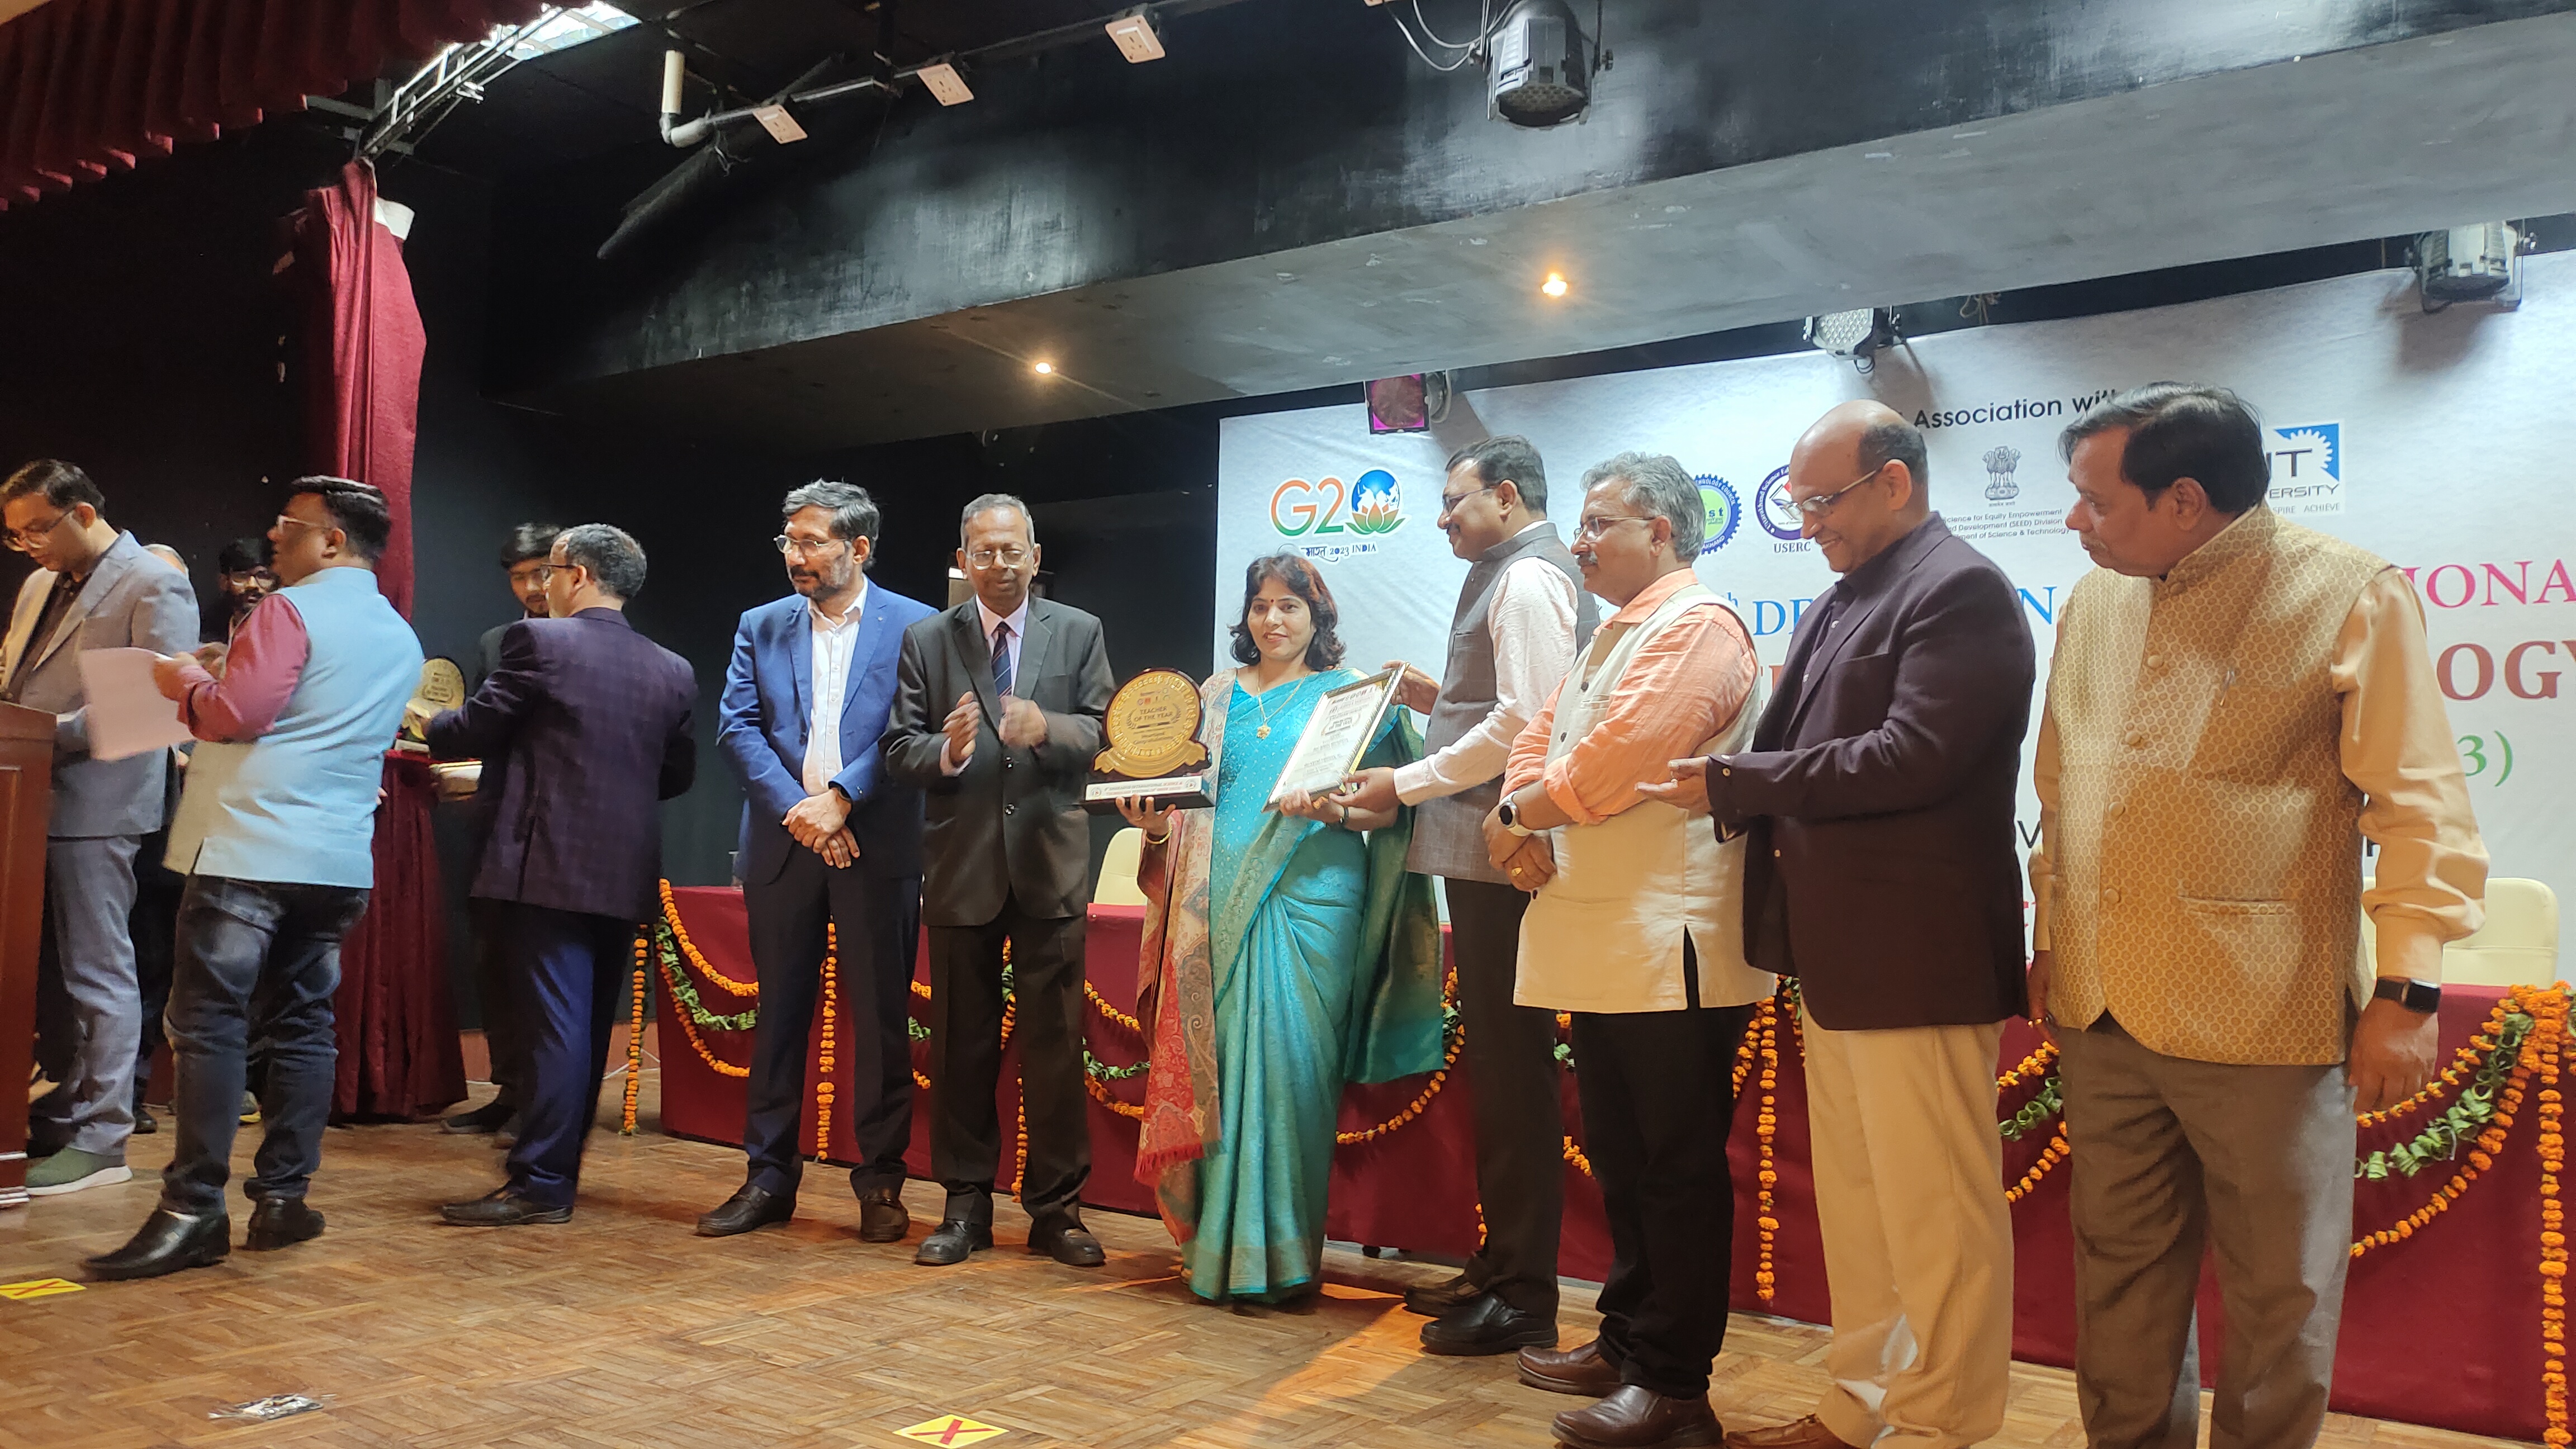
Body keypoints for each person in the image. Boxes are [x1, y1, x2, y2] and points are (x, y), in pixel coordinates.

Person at [2025, 383, 2487, 1449]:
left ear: (2183, 500)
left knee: (2280, 1289)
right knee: (2118, 1271)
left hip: (2263, 1016)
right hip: (2100, 1010)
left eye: (2095, 500)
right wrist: (2051, 936)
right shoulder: (2093, 601)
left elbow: (2418, 804)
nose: (2073, 520)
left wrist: (2408, 989)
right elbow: (2061, 789)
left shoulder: (2347, 593)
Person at [1644, 404, 2035, 1449]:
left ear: (1893, 482)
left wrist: (1739, 780)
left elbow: (1915, 755)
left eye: (1821, 501)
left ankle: (1942, 1425)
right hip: (1836, 951)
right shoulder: (1842, 596)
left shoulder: (1957, 588)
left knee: (1937, 1212)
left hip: (1917, 953)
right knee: (1862, 1205)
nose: (1807, 524)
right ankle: (1860, 1404)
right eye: (1796, 505)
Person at [1493, 453, 1769, 1449]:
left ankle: (1675, 1385)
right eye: (1580, 523)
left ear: (1660, 531)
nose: (1578, 542)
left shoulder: (1698, 625)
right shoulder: (1614, 629)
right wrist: (1515, 807)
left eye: (1598, 523)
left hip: (1669, 938)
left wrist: (1518, 815)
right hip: (1603, 935)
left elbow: (1618, 763)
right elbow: (1535, 741)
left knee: (1674, 1167)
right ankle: (1624, 1340)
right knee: (1620, 1157)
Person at [84, 478, 423, 1280]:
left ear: (332, 541)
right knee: (304, 1024)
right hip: (337, 858)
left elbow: (237, 717)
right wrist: (223, 669)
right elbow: (311, 713)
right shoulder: (399, 634)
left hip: (247, 847)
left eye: (288, 525)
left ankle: (191, 1210)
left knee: (208, 1024)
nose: (273, 537)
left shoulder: (287, 610)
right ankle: (282, 1201)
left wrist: (183, 680)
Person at [1119, 552, 1445, 1303]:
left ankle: (1285, 1263)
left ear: (1317, 617)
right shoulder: (1210, 697)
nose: (1273, 620)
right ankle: (1218, 1257)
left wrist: (1333, 811)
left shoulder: (1354, 697)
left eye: (1290, 606)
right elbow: (1184, 801)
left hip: (1315, 905)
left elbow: (1391, 812)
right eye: (1261, 605)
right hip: (1211, 908)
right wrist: (1155, 827)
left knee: (1295, 1080)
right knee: (1221, 1074)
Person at [1337, 434, 1594, 1353]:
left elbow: (1526, 722)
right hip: (1491, 852)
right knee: (1499, 1065)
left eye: (1456, 500)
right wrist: (1435, 700)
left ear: (1508, 496)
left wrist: (1405, 782)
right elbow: (1514, 704)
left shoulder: (1525, 577)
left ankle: (1524, 1294)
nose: (1443, 518)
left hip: (1509, 851)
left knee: (1514, 1073)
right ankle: (1501, 1263)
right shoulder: (1512, 571)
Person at [427, 523, 697, 1227]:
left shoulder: (538, 642)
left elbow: (470, 729)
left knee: (553, 1030)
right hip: (623, 871)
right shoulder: (672, 668)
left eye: (547, 572)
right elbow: (677, 773)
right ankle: (552, 1175)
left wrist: (427, 719)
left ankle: (542, 1184)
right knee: (581, 1030)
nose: (540, 586)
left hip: (544, 864)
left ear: (576, 575)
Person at [698, 484, 936, 1240]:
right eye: (789, 542)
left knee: (882, 1020)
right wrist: (804, 814)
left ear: (858, 548)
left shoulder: (918, 624)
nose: (795, 556)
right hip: (784, 843)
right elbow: (737, 729)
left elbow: (912, 729)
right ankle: (767, 1180)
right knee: (779, 1019)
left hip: (878, 843)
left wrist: (841, 799)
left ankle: (881, 1185)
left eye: (810, 542)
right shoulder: (761, 624)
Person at [883, 493, 1115, 1268]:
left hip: (1050, 864)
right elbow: (899, 748)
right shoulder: (928, 638)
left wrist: (1049, 728)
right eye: (984, 552)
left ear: (1035, 556)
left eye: (1013, 550)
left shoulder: (1078, 630)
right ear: (963, 559)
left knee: (1056, 1048)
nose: (1000, 564)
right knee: (961, 1047)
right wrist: (947, 751)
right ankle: (964, 1206)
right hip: (961, 867)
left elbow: (1106, 731)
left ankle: (1058, 1211)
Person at [2, 459, 198, 1196]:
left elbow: (154, 705)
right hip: (25, 799)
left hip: (99, 804)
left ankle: (105, 1135)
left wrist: (37, 736)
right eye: (16, 536)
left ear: (83, 513)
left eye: (37, 530)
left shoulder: (154, 583)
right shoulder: (38, 584)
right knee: (45, 975)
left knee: (97, 970)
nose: (28, 547)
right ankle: (62, 1110)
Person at [442, 520, 562, 1140]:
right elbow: (485, 726)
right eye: (519, 577)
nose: (532, 588)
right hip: (498, 822)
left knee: (550, 969)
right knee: (494, 959)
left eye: (542, 573)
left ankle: (548, 1105)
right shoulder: (496, 641)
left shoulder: (594, 638)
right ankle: (509, 1091)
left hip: (565, 828)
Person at [209, 534, 275, 642]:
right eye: (241, 576)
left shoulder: (288, 633)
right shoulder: (208, 635)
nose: (252, 585)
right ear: (224, 582)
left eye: (263, 576)